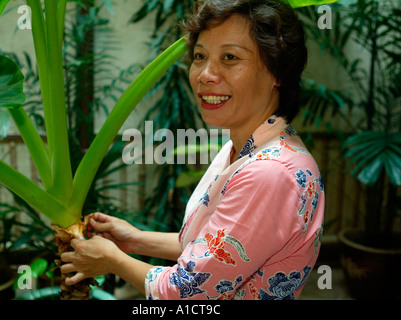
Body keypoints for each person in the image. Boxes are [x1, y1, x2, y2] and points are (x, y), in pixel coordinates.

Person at [61, 0, 325, 300]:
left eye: (229, 57)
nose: (205, 74)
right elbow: (215, 250)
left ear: (278, 71)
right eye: (200, 56)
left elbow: (184, 290)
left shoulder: (270, 173)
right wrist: (135, 240)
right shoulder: (244, 149)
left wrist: (113, 260)